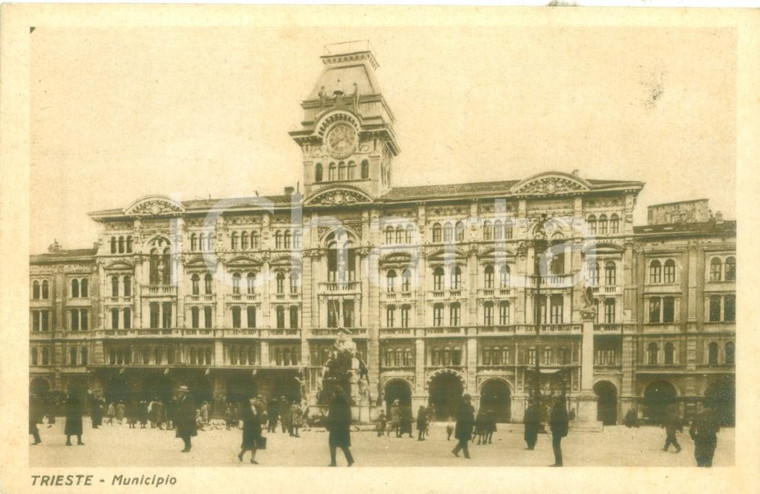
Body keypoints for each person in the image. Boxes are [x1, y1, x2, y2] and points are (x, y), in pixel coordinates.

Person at [326, 388, 354, 467]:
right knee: (344, 445)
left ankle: (333, 462)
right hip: (343, 428)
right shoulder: (345, 402)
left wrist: (328, 423)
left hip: (335, 427)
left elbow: (332, 415)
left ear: (335, 393)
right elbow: (349, 415)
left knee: (332, 445)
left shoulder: (334, 402)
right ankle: (350, 460)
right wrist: (347, 425)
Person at [238, 396, 264, 464]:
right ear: (249, 400)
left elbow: (260, 416)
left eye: (254, 399)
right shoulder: (246, 408)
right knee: (247, 444)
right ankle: (241, 454)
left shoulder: (258, 408)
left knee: (255, 444)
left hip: (256, 428)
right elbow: (243, 417)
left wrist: (261, 423)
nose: (253, 400)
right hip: (248, 428)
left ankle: (253, 459)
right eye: (251, 399)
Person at [174, 386, 197, 452]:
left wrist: (190, 416)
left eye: (181, 391)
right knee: (181, 433)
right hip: (181, 418)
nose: (180, 392)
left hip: (187, 418)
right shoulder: (181, 398)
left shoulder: (190, 397)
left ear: (185, 392)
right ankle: (188, 445)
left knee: (186, 433)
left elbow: (192, 407)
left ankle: (187, 446)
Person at [549, 396, 569, 467]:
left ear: (558, 400)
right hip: (556, 429)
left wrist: (564, 431)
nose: (553, 400)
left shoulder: (560, 408)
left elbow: (564, 421)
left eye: (555, 399)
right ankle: (558, 462)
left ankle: (559, 462)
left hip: (558, 430)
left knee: (556, 445)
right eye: (554, 398)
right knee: (556, 445)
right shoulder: (557, 407)